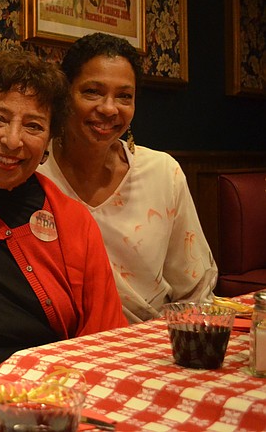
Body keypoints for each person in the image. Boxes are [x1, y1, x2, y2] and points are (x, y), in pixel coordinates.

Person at [0, 49, 128, 379]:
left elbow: (105, 339)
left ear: (49, 140)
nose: (12, 140)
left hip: (55, 386)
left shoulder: (73, 221)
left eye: (33, 126)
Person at [37, 32, 217, 322]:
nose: (109, 108)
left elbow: (194, 288)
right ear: (65, 94)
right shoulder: (35, 172)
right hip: (64, 340)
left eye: (124, 96)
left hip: (152, 335)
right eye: (92, 91)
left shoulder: (163, 173)